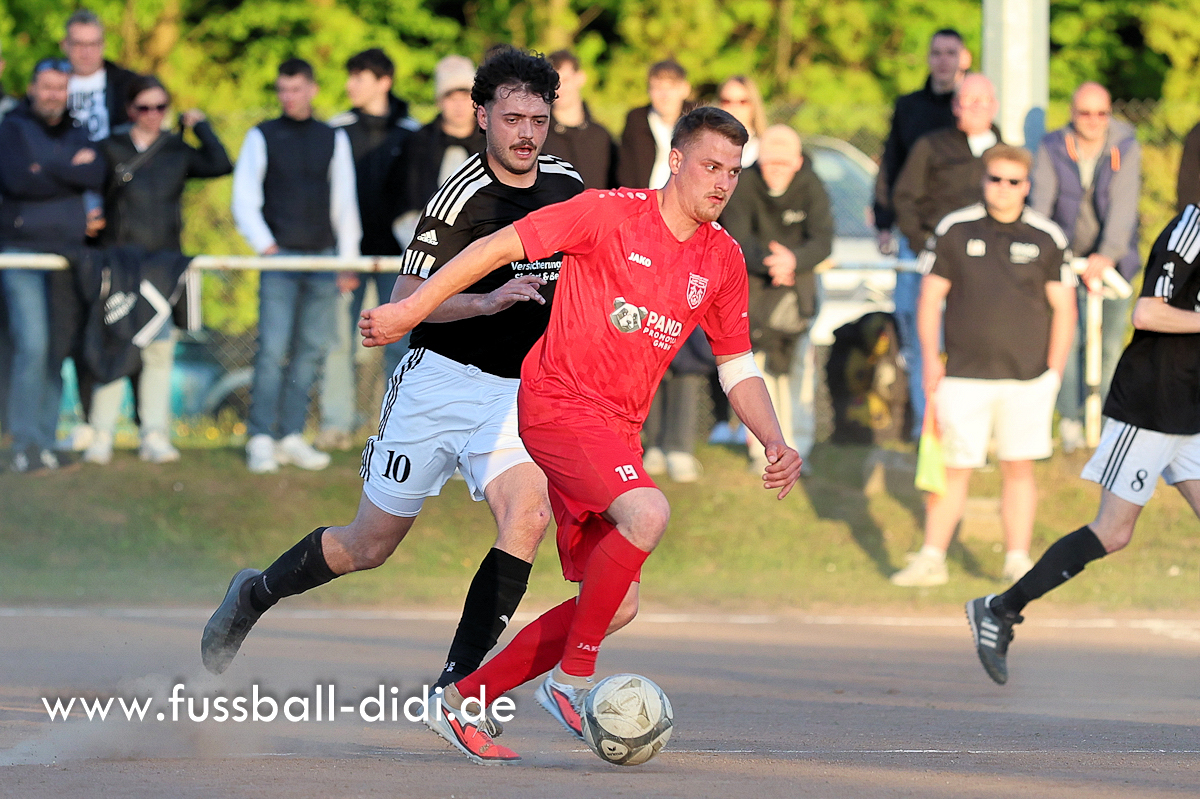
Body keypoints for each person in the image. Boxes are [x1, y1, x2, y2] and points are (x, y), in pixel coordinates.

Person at [359, 106, 802, 764]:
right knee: (648, 512)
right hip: (558, 405)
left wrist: (774, 438)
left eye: (734, 172)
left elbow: (736, 365)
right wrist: (409, 309)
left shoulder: (723, 257)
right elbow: (497, 247)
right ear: (675, 160)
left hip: (617, 431)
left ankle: (462, 699)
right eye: (711, 166)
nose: (722, 182)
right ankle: (570, 679)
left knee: (616, 603)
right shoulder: (607, 213)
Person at [202, 50, 585, 714]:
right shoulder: (457, 199)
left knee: (527, 516)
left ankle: (455, 689)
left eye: (538, 119)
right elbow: (404, 303)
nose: (526, 133)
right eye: (512, 118)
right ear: (482, 115)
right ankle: (255, 593)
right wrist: (486, 301)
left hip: (514, 392)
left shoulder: (566, 183)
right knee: (368, 544)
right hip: (439, 382)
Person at [967, 205, 1200, 685]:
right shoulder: (1191, 230)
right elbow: (1147, 312)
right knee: (1113, 532)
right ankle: (1000, 608)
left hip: (1191, 411)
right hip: (1152, 407)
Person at [890, 145, 1076, 588]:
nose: (1003, 188)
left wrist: (1053, 372)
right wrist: (930, 360)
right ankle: (932, 558)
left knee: (1019, 469)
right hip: (962, 377)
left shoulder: (1048, 236)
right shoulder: (955, 229)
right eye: (996, 179)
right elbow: (930, 299)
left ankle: (1017, 562)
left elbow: (1065, 309)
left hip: (1027, 379)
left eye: (1014, 181)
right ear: (983, 180)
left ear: (1026, 186)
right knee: (953, 471)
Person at [80, 75, 233, 465]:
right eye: (144, 107)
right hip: (118, 263)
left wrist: (200, 126)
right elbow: (83, 185)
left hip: (164, 266)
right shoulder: (110, 148)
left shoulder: (176, 149)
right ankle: (101, 434)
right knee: (116, 344)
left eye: (160, 107)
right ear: (130, 109)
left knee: (159, 350)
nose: (153, 115)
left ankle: (154, 435)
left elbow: (220, 164)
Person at [230, 58, 360, 473]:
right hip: (279, 259)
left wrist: (347, 260)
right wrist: (266, 246)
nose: (289, 97)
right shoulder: (262, 135)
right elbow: (243, 199)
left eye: (297, 88)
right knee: (271, 350)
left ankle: (290, 435)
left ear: (312, 89)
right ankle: (260, 437)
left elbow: (345, 202)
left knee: (310, 352)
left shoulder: (332, 137)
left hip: (323, 259)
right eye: (283, 89)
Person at [0, 58, 106, 472]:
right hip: (21, 253)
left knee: (56, 351)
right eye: (46, 87)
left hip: (68, 258)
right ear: (32, 87)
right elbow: (17, 179)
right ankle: (24, 442)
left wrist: (44, 167)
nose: (53, 95)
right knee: (32, 345)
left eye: (60, 88)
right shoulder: (12, 128)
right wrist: (68, 169)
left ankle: (46, 440)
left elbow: (95, 173)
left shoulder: (79, 129)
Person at [318, 48, 420, 451]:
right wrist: (339, 253)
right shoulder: (336, 129)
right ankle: (335, 426)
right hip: (346, 258)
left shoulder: (413, 133)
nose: (350, 85)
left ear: (384, 82)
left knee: (402, 345)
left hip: (401, 259)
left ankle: (398, 429)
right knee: (338, 341)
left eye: (358, 77)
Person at [1029, 82, 1141, 454]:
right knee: (1068, 340)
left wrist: (1107, 255)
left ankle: (1108, 423)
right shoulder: (1052, 147)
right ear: (1072, 114)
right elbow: (1041, 205)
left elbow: (1124, 207)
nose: (1093, 120)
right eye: (1085, 113)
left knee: (1109, 346)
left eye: (1101, 113)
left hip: (1114, 264)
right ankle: (1071, 422)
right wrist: (1051, 256)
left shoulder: (1125, 146)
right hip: (1065, 261)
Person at [721, 125, 833, 474]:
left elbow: (823, 239)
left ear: (798, 162)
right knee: (756, 369)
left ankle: (800, 449)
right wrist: (774, 263)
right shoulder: (744, 184)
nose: (777, 170)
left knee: (800, 368)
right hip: (755, 286)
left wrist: (793, 261)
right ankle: (764, 451)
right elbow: (736, 235)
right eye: (771, 163)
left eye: (784, 163)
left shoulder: (812, 185)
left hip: (799, 288)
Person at [874, 29, 969, 440]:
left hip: (962, 248)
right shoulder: (909, 107)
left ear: (964, 58)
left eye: (951, 53)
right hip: (916, 240)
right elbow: (890, 166)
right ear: (929, 58)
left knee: (960, 336)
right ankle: (923, 427)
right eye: (937, 53)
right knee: (916, 334)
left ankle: (957, 427)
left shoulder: (972, 114)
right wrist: (884, 223)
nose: (944, 60)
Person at [61, 8, 138, 143]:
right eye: (79, 44)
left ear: (103, 45)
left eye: (93, 44)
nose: (86, 52)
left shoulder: (127, 83)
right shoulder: (51, 82)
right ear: (65, 45)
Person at [542, 50, 615, 190]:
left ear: (580, 78)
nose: (558, 88)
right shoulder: (538, 137)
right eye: (552, 82)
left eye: (565, 80)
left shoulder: (602, 138)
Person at [617, 59, 692, 190]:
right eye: (657, 88)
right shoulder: (636, 121)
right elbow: (626, 171)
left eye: (671, 87)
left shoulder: (697, 122)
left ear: (685, 89)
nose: (665, 95)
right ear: (649, 90)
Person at [716, 76, 768, 167]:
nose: (734, 108)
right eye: (727, 101)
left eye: (743, 102)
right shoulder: (708, 147)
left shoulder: (764, 147)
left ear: (753, 105)